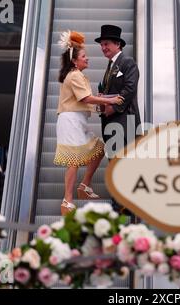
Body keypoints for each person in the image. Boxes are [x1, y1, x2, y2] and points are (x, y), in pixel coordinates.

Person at [54, 30, 124, 216]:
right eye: (84, 56)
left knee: (100, 148)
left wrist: (104, 99)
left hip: (77, 120)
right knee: (73, 161)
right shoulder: (75, 75)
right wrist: (109, 101)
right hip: (71, 121)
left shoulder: (76, 74)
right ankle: (67, 200)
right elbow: (85, 98)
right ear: (75, 61)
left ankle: (84, 185)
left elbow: (87, 99)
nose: (88, 59)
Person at [95, 24, 142, 155]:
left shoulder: (127, 62)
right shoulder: (110, 65)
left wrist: (114, 107)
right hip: (111, 121)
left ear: (117, 44)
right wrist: (101, 98)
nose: (103, 48)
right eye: (102, 45)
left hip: (125, 121)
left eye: (106, 44)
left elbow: (130, 88)